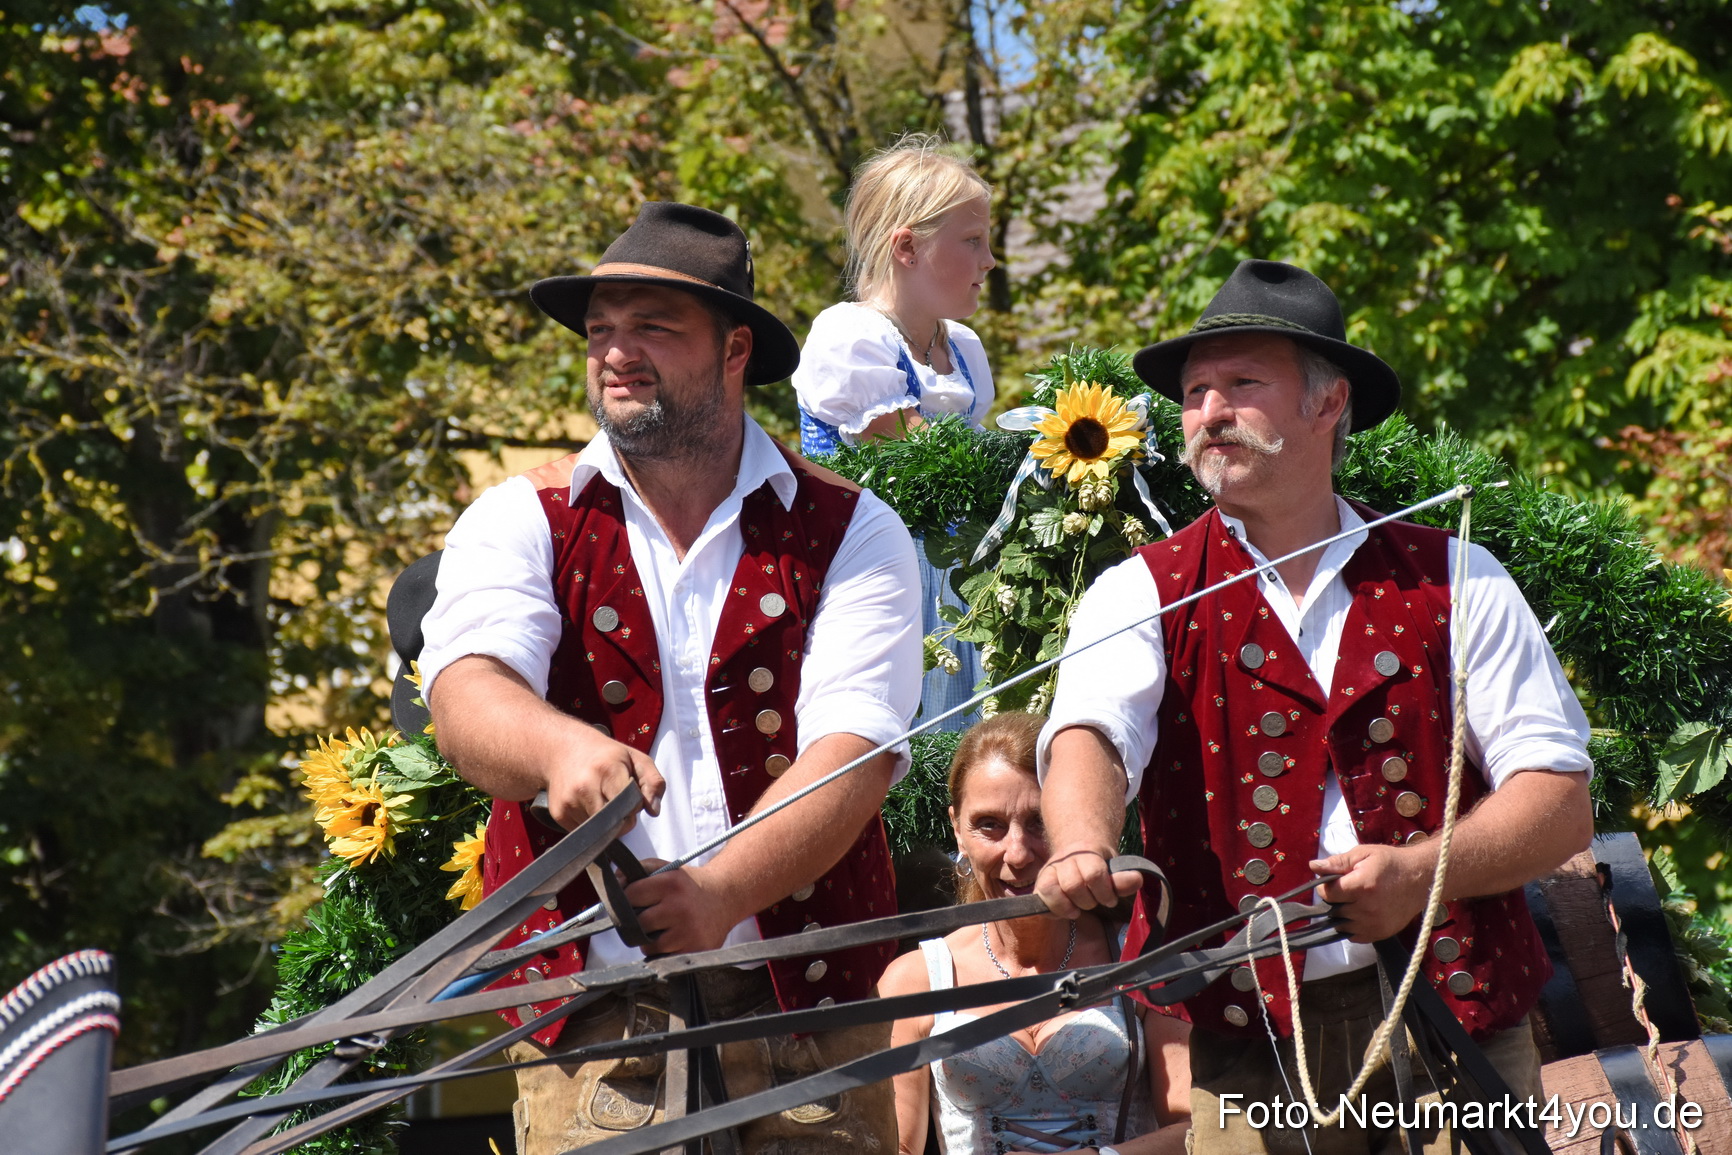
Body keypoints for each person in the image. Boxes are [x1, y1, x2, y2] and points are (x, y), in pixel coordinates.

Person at [1032, 260, 1595, 1155]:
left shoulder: (1455, 576)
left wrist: (1422, 872)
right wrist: (1079, 844)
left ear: (1328, 404)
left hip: (1456, 1025)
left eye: (1243, 383)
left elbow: (1559, 798)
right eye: (1194, 391)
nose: (1209, 410)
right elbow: (1091, 734)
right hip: (1246, 1044)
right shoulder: (1141, 591)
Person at [419, 202, 923, 1155]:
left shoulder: (855, 529)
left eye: (653, 326)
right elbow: (464, 694)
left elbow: (855, 750)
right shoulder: (522, 515)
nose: (616, 351)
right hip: (594, 1019)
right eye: (601, 329)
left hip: (808, 1013)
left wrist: (720, 891)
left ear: (736, 352)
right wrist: (556, 744)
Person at [878, 712, 1192, 1155]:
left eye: (1040, 821)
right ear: (957, 830)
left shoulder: (1139, 960)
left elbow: (1197, 1130)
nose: (1018, 853)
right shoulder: (915, 980)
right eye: (989, 824)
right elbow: (898, 1148)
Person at [793, 135, 997, 728]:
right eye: (973, 241)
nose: (989, 261)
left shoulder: (959, 347)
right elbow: (922, 465)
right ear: (906, 247)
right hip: (880, 573)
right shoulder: (852, 338)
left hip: (962, 576)